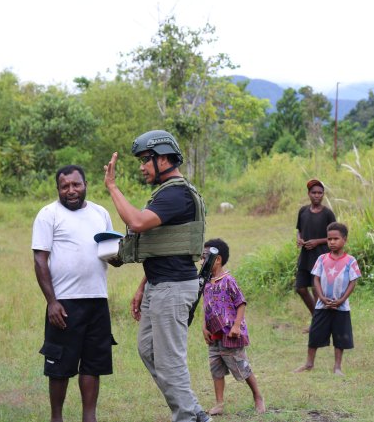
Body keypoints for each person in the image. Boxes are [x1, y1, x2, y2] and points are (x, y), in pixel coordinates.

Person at [103, 130, 210, 422]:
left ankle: (188, 417)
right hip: (159, 284)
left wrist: (112, 187)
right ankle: (195, 412)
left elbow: (137, 222)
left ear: (164, 159)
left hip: (174, 289)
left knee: (169, 360)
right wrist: (143, 285)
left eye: (145, 160)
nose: (141, 166)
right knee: (148, 349)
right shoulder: (167, 193)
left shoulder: (176, 193)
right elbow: (163, 248)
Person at [32, 165, 117, 422]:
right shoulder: (48, 215)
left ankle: (88, 417)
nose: (71, 190)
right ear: (58, 189)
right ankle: (56, 417)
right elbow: (39, 260)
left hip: (97, 300)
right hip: (64, 304)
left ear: (85, 184)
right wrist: (52, 302)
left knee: (93, 363)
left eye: (76, 185)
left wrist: (123, 253)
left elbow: (110, 253)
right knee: (60, 365)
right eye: (64, 186)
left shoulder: (100, 213)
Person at [200, 238, 265, 416]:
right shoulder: (205, 282)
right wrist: (204, 326)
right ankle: (219, 403)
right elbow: (206, 306)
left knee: (242, 367)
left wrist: (237, 326)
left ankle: (258, 396)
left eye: (205, 257)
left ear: (218, 259)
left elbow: (241, 303)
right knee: (216, 369)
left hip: (230, 335)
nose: (201, 261)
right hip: (214, 336)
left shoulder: (228, 280)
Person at [293, 222, 361, 376]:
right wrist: (322, 297)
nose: (332, 242)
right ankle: (309, 363)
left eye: (336, 239)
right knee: (315, 333)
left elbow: (353, 282)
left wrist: (342, 299)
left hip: (341, 307)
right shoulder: (322, 259)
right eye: (329, 239)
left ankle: (337, 367)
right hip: (322, 305)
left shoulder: (350, 261)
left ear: (344, 239)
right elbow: (316, 279)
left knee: (340, 336)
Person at [294, 179, 336, 332]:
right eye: (314, 193)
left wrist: (318, 242)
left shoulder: (328, 214)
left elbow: (334, 237)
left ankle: (318, 324)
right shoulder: (303, 211)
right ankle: (317, 319)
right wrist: (299, 239)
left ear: (323, 195)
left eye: (320, 193)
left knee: (316, 290)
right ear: (308, 194)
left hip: (320, 257)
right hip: (305, 256)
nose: (317, 195)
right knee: (300, 288)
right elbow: (299, 229)